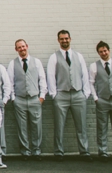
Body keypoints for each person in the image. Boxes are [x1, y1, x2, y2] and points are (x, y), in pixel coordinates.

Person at [46, 30, 92, 162]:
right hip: (62, 95)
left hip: (78, 94)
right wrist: (54, 94)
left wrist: (85, 93)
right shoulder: (54, 57)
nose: (64, 41)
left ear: (70, 39)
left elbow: (84, 75)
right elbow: (51, 76)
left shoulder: (79, 56)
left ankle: (84, 152)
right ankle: (59, 152)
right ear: (58, 40)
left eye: (66, 38)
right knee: (59, 125)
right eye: (61, 39)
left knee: (81, 125)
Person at [6, 39, 47, 161]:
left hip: (35, 98)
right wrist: (13, 98)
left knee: (37, 127)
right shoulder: (13, 64)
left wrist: (41, 97)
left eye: (23, 46)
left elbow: (42, 80)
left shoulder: (37, 62)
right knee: (22, 127)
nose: (22, 49)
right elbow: (10, 82)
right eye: (19, 47)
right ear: (16, 49)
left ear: (27, 46)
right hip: (20, 99)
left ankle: (36, 151)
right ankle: (25, 152)